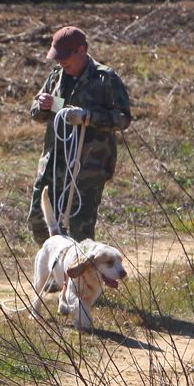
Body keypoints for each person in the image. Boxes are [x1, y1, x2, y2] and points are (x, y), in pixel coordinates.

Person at [28, 26, 132, 245]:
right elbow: (38, 112)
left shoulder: (105, 78)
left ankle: (80, 275)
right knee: (39, 220)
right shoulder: (57, 75)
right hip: (54, 163)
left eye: (65, 57)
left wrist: (88, 117)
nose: (61, 63)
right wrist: (44, 105)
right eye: (58, 58)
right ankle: (55, 271)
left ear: (82, 50)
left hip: (88, 167)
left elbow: (123, 118)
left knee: (80, 230)